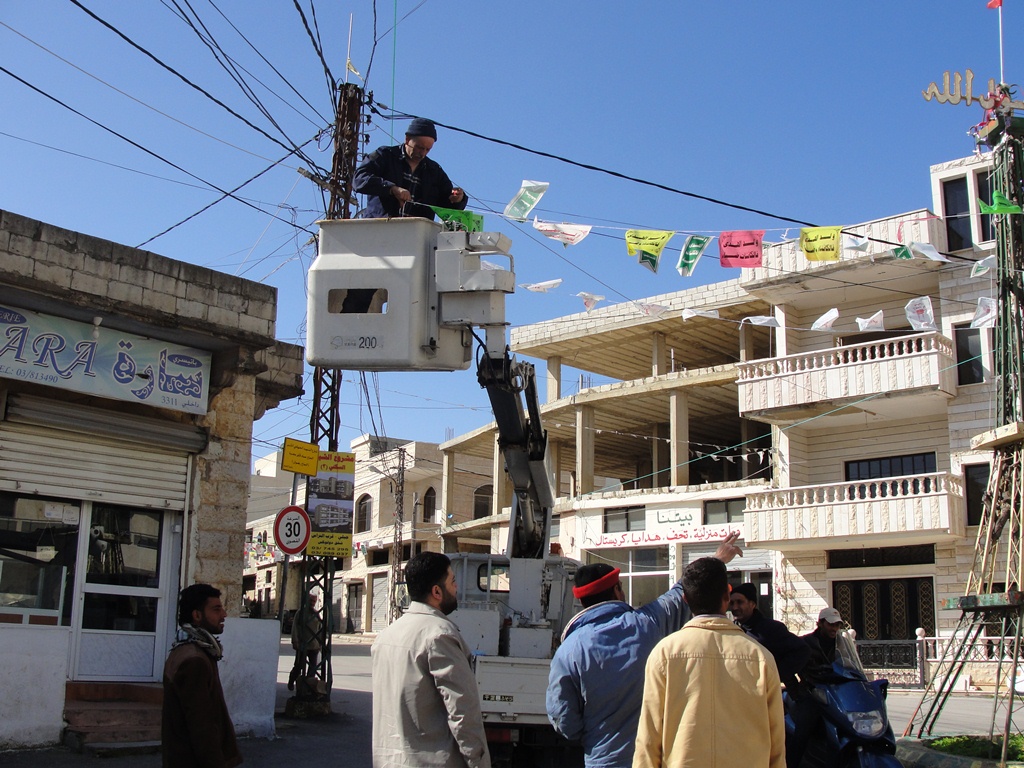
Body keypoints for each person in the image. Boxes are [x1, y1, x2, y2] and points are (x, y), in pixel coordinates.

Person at [546, 532, 742, 768]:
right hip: (654, 759)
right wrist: (718, 558)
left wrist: (596, 734)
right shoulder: (648, 623)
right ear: (617, 590)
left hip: (603, 759)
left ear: (583, 601)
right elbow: (682, 592)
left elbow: (564, 719)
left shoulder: (568, 651)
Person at [633, 557, 785, 768]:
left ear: (685, 599)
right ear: (727, 596)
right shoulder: (760, 657)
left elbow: (648, 740)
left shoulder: (664, 654)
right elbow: (777, 745)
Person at [371, 551, 490, 768]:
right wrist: (478, 762)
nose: (456, 588)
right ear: (437, 591)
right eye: (453, 581)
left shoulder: (385, 637)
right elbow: (462, 711)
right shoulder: (439, 635)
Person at [162, 583, 241, 768]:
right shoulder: (194, 660)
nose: (224, 615)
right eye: (216, 609)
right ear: (197, 615)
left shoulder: (190, 651)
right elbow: (202, 726)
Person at [354, 117, 468, 221]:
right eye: (419, 147)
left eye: (427, 149)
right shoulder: (385, 156)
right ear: (407, 139)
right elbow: (358, 179)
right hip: (380, 230)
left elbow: (447, 205)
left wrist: (458, 199)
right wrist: (392, 188)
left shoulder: (434, 171)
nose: (422, 153)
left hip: (416, 237)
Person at [786, 607, 848, 768]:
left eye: (837, 625)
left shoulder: (842, 644)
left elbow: (851, 666)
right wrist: (797, 693)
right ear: (820, 624)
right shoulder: (805, 643)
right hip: (812, 694)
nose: (834, 628)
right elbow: (787, 668)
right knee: (802, 733)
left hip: (837, 693)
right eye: (830, 624)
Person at [729, 583, 810, 690]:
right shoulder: (732, 630)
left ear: (752, 604)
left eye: (740, 602)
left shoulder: (771, 629)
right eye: (732, 603)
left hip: (765, 695)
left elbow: (802, 650)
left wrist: (775, 676)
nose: (734, 607)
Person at [288, 591, 322, 692]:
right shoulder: (300, 612)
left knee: (313, 668)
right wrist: (295, 641)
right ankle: (292, 680)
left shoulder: (316, 614)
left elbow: (319, 629)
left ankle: (307, 686)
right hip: (302, 645)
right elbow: (295, 628)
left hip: (314, 646)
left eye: (314, 601)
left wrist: (320, 643)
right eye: (311, 600)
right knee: (298, 666)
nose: (312, 603)